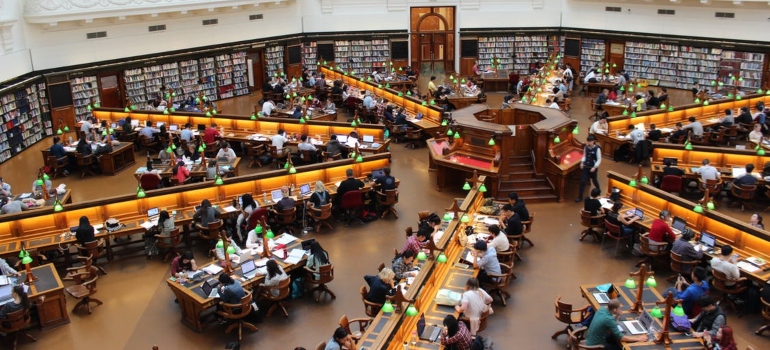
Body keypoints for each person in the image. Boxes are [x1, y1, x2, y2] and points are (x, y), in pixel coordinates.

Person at [576, 135, 601, 202]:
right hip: (586, 167)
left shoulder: (597, 149)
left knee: (594, 180)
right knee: (582, 182)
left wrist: (595, 167)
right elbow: (584, 156)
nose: (589, 143)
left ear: (593, 141)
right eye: (588, 141)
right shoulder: (586, 147)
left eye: (590, 141)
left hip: (593, 168)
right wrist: (582, 162)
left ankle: (599, 191)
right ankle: (580, 196)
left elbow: (599, 159)